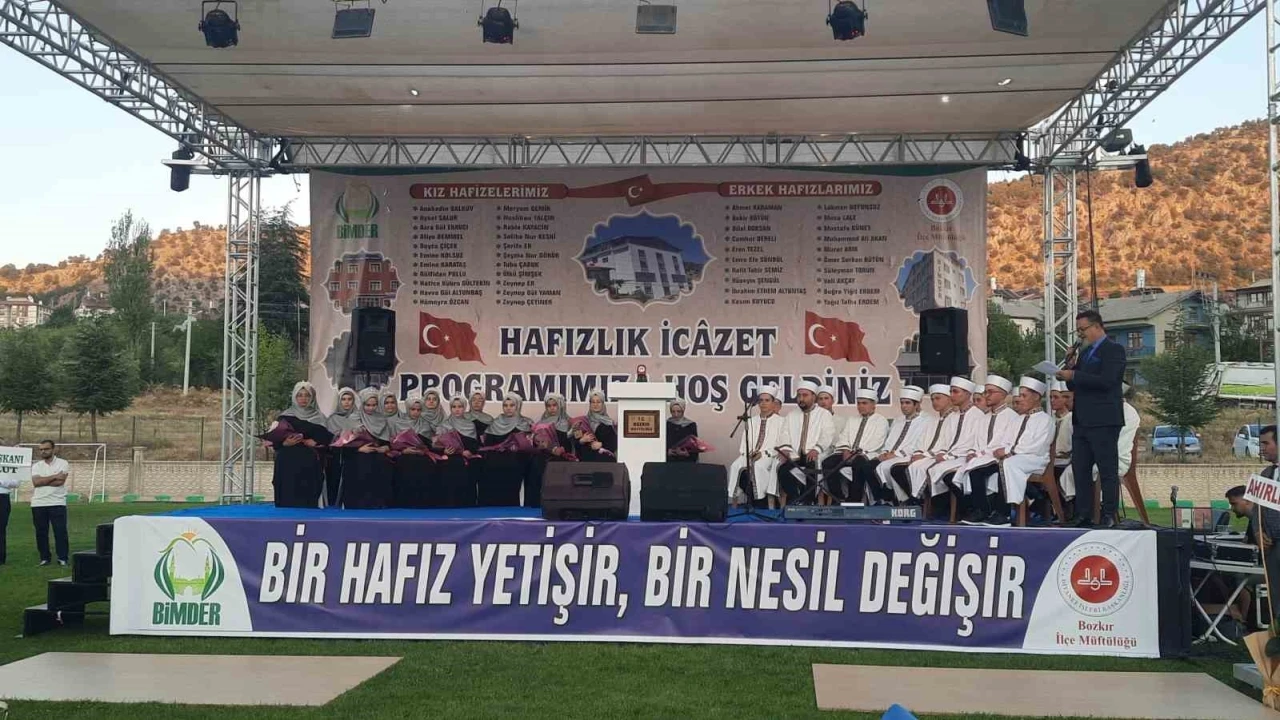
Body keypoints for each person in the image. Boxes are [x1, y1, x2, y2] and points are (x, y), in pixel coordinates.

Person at [1057, 309, 1127, 528]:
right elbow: (1073, 385)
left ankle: (1109, 514)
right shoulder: (1085, 353)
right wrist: (1070, 367)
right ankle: (1083, 514)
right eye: (1078, 330)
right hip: (1082, 419)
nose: (1080, 334)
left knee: (1107, 469)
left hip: (1104, 418)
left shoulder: (1113, 350)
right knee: (1081, 469)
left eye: (1083, 329)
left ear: (1097, 326)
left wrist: (1076, 374)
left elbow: (1108, 380)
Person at [965, 377, 1054, 525]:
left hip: (1035, 459)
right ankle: (983, 511)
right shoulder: (1018, 419)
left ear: (1036, 397)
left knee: (1006, 465)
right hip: (1014, 457)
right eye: (1020, 395)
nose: (1021, 399)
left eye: (1024, 396)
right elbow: (1007, 440)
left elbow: (1037, 446)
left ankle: (1003, 514)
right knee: (977, 470)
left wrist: (1009, 451)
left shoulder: (1045, 420)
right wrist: (1005, 450)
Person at [943, 375, 1018, 518]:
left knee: (975, 471)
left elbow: (1010, 443)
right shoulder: (984, 417)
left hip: (1001, 458)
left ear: (1003, 394)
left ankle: (984, 511)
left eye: (990, 392)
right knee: (963, 470)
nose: (986, 395)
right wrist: (973, 452)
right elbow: (977, 441)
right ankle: (977, 510)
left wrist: (990, 453)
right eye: (985, 392)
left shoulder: (1012, 417)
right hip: (982, 457)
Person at [909, 377, 982, 504]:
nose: (952, 395)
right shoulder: (954, 416)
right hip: (951, 455)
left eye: (955, 392)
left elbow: (972, 442)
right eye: (951, 391)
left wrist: (947, 456)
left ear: (967, 394)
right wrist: (943, 453)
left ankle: (963, 507)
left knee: (940, 471)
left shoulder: (978, 415)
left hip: (965, 456)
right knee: (918, 467)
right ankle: (925, 504)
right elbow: (946, 440)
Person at [859, 385, 927, 504]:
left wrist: (896, 454)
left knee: (889, 468)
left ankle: (903, 500)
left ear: (916, 405)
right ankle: (883, 499)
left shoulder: (925, 421)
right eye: (902, 403)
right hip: (890, 454)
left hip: (906, 455)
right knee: (867, 466)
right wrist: (885, 452)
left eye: (907, 403)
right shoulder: (898, 420)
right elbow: (889, 441)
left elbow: (918, 444)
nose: (904, 406)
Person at [886, 385, 952, 503]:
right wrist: (918, 453)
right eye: (932, 399)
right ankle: (914, 500)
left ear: (949, 398)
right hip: (927, 455)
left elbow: (948, 443)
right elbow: (922, 441)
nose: (934, 402)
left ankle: (918, 501)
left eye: (938, 398)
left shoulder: (952, 419)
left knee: (902, 469)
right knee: (899, 468)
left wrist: (925, 455)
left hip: (942, 456)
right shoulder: (934, 420)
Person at [776, 380, 836, 505]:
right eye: (799, 395)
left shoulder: (824, 414)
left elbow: (827, 434)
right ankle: (795, 499)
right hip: (796, 454)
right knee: (782, 469)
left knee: (812, 466)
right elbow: (785, 433)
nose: (801, 399)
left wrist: (816, 449)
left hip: (815, 453)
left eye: (805, 395)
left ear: (814, 397)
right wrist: (785, 449)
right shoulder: (791, 415)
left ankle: (808, 501)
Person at [823, 388, 889, 503]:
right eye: (858, 403)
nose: (860, 406)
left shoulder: (881, 421)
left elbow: (877, 442)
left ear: (873, 404)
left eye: (864, 403)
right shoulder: (852, 419)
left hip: (868, 453)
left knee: (859, 463)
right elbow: (844, 436)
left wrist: (858, 452)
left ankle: (854, 499)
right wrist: (846, 450)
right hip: (848, 453)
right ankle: (838, 497)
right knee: (827, 463)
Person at [271, 381, 329, 508]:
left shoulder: (320, 417)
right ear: (294, 397)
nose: (303, 399)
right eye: (300, 395)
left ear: (312, 398)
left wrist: (316, 442)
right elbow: (275, 441)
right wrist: (284, 443)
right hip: (287, 461)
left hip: (309, 462)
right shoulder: (285, 416)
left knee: (307, 500)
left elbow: (327, 440)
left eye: (307, 395)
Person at [727, 385, 786, 507]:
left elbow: (781, 444)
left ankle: (760, 501)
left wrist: (763, 453)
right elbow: (745, 442)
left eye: (767, 400)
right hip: (750, 454)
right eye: (761, 400)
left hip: (769, 456)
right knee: (735, 465)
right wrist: (749, 453)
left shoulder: (781, 421)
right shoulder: (751, 420)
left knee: (758, 466)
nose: (763, 403)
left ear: (773, 403)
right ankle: (734, 504)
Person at [341, 388, 394, 509]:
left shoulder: (381, 418)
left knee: (383, 462)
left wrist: (383, 448)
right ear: (362, 404)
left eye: (374, 405)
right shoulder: (354, 418)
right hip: (356, 453)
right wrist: (359, 449)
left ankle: (378, 502)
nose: (371, 408)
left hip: (377, 453)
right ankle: (359, 503)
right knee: (363, 462)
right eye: (368, 405)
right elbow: (344, 442)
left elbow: (386, 443)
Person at [480, 393, 533, 506]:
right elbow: (488, 444)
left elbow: (530, 445)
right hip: (497, 459)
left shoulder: (525, 423)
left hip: (517, 460)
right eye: (505, 405)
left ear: (518, 406)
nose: (508, 408)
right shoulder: (496, 422)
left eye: (512, 405)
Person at [389, 393, 439, 508]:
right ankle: (405, 501)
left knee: (426, 463)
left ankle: (423, 501)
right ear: (407, 409)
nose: (416, 412)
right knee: (406, 463)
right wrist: (404, 450)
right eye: (413, 409)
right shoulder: (398, 423)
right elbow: (392, 443)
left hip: (422, 455)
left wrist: (424, 450)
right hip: (404, 454)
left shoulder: (426, 424)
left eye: (419, 410)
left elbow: (431, 443)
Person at [433, 397, 484, 507]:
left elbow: (475, 444)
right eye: (454, 407)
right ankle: (448, 503)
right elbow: (436, 445)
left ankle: (466, 504)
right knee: (449, 464)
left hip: (466, 457)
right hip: (449, 455)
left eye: (460, 407)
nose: (457, 409)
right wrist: (444, 450)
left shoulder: (470, 425)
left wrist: (469, 451)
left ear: (464, 408)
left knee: (471, 465)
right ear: (450, 408)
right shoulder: (444, 425)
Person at [527, 393, 574, 508]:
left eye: (554, 405)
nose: (552, 408)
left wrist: (561, 449)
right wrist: (539, 444)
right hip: (542, 460)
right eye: (549, 406)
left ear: (560, 406)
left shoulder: (568, 422)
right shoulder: (540, 424)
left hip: (561, 461)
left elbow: (571, 444)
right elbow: (534, 444)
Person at [30, 440, 70, 566]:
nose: (43, 451)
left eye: (46, 449)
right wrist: (54, 476)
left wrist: (44, 480)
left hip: (57, 502)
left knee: (60, 531)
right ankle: (45, 558)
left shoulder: (63, 463)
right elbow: (36, 483)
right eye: (41, 449)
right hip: (38, 503)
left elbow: (60, 482)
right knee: (41, 532)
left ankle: (62, 558)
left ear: (53, 449)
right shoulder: (36, 466)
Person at [324, 387, 360, 507]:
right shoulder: (332, 419)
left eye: (350, 399)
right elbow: (328, 439)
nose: (347, 402)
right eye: (343, 399)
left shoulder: (359, 417)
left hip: (355, 455)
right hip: (336, 456)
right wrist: (339, 435)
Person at [574, 390, 618, 463]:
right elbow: (575, 444)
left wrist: (602, 444)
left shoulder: (610, 423)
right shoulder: (582, 422)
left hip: (604, 462)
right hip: (585, 462)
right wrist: (582, 441)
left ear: (603, 404)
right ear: (590, 404)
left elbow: (614, 443)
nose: (595, 404)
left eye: (598, 402)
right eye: (593, 402)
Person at [666, 398, 701, 463]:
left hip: (686, 462)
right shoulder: (666, 424)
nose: (676, 414)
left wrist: (687, 453)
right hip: (670, 462)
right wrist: (667, 452)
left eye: (679, 411)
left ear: (683, 410)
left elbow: (695, 445)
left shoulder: (691, 425)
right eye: (673, 411)